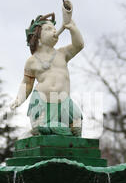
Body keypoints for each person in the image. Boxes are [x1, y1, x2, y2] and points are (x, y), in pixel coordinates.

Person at [10, 7, 84, 137]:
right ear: (38, 37)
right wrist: (19, 98)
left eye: (54, 29)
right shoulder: (32, 61)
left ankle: (56, 131)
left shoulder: (62, 53)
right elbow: (27, 83)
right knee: (42, 129)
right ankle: (40, 130)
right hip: (42, 101)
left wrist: (72, 27)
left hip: (64, 101)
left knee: (77, 127)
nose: (54, 31)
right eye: (48, 29)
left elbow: (79, 45)